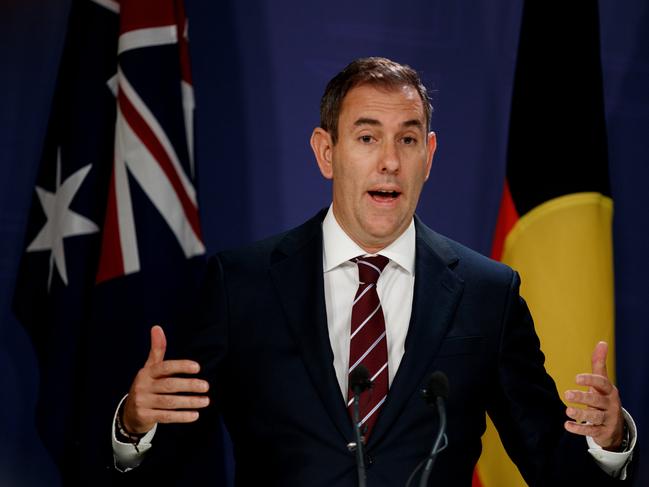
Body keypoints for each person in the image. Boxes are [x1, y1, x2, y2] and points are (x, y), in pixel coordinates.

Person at [112, 57, 635, 486]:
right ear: (326, 152)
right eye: (367, 138)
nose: (389, 161)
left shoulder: (487, 293)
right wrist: (135, 426)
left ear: (427, 157)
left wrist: (609, 444)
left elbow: (547, 459)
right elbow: (172, 457)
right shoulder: (241, 284)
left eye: (407, 140)